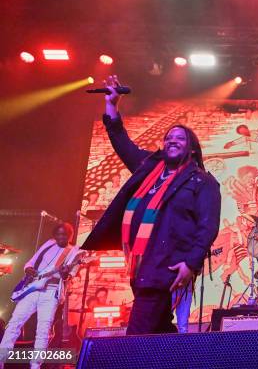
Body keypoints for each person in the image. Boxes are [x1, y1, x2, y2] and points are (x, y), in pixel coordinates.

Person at [81, 75, 222, 335]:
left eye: (179, 138)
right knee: (158, 332)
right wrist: (112, 106)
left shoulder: (202, 181)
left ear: (191, 149)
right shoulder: (149, 168)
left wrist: (190, 263)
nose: (172, 141)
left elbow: (208, 226)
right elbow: (123, 145)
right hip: (142, 265)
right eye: (168, 138)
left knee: (137, 336)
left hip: (167, 266)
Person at [0, 223, 81, 369]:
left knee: (43, 329)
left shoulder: (75, 252)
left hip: (51, 293)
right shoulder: (49, 244)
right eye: (59, 235)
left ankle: (35, 365)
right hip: (32, 289)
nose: (61, 237)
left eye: (65, 235)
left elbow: (69, 276)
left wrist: (64, 272)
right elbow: (31, 261)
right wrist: (29, 269)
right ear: (54, 235)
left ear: (71, 236)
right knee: (14, 323)